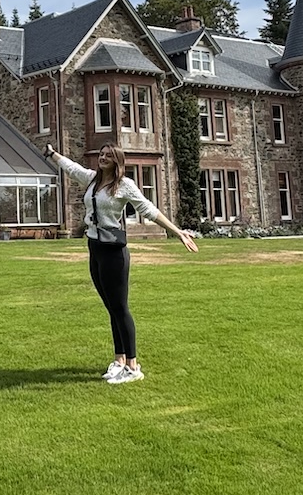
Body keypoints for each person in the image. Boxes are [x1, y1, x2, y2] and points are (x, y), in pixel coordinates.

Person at [44, 142, 199, 384]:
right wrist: (53, 155)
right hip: (94, 247)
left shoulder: (124, 185)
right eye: (102, 154)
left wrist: (177, 232)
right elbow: (72, 168)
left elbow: (148, 209)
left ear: (117, 161)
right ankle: (119, 361)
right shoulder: (93, 180)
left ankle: (133, 367)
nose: (103, 158)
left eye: (108, 155)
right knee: (110, 307)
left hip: (113, 251)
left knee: (120, 308)